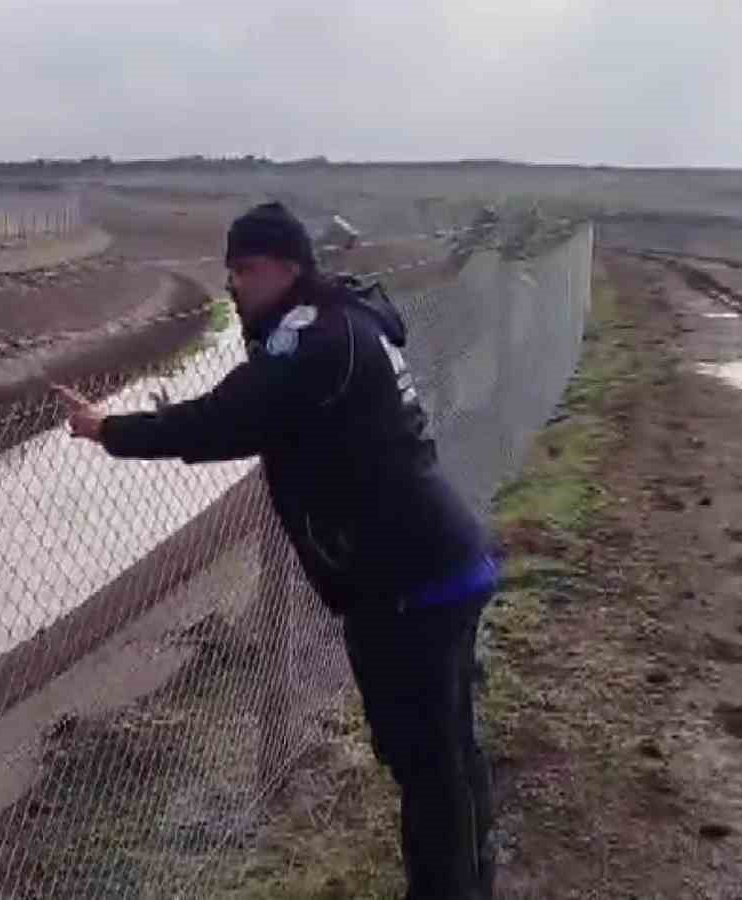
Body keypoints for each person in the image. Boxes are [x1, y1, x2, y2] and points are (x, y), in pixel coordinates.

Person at [56, 201, 497, 900]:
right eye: (227, 270)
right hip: (439, 564)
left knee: (427, 765)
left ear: (290, 266)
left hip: (410, 586)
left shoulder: (313, 341)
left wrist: (107, 428)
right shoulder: (341, 321)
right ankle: (473, 880)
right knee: (446, 753)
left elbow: (220, 423)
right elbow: (257, 411)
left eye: (246, 269)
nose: (232, 284)